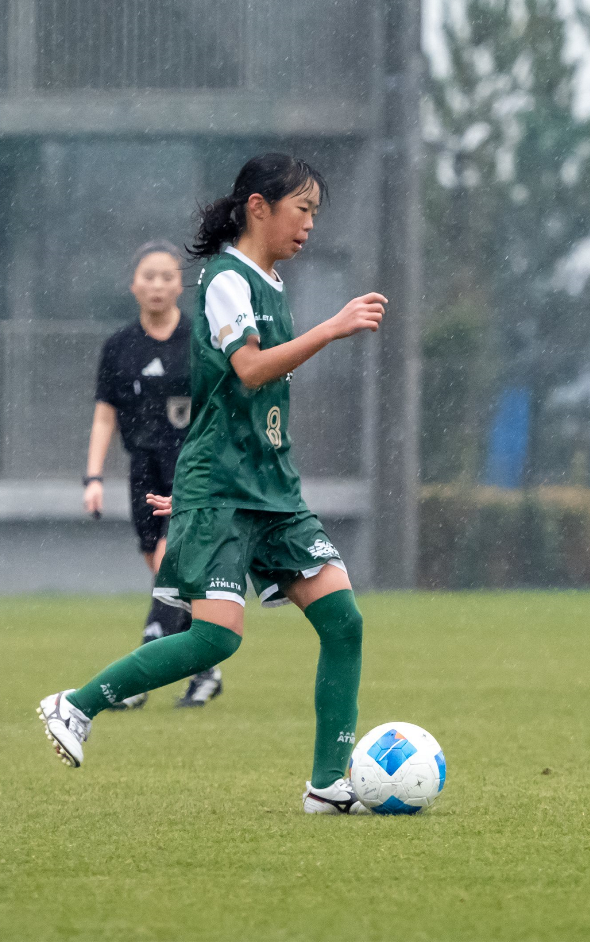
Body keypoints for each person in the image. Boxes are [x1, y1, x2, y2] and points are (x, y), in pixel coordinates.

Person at [39, 153, 387, 815]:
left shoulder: (271, 281)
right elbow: (250, 369)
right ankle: (74, 705)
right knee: (217, 638)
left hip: (269, 488)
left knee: (344, 621)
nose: (310, 224)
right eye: (302, 208)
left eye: (316, 212)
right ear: (259, 205)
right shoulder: (227, 279)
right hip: (227, 488)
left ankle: (326, 784)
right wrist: (332, 327)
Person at [84, 239, 222, 709]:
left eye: (167, 276)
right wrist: (93, 478)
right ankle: (204, 665)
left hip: (192, 469)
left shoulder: (200, 340)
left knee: (169, 565)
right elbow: (105, 415)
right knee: (163, 570)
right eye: (149, 276)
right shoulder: (119, 346)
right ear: (134, 285)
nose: (158, 284)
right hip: (143, 471)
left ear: (180, 285)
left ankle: (142, 669)